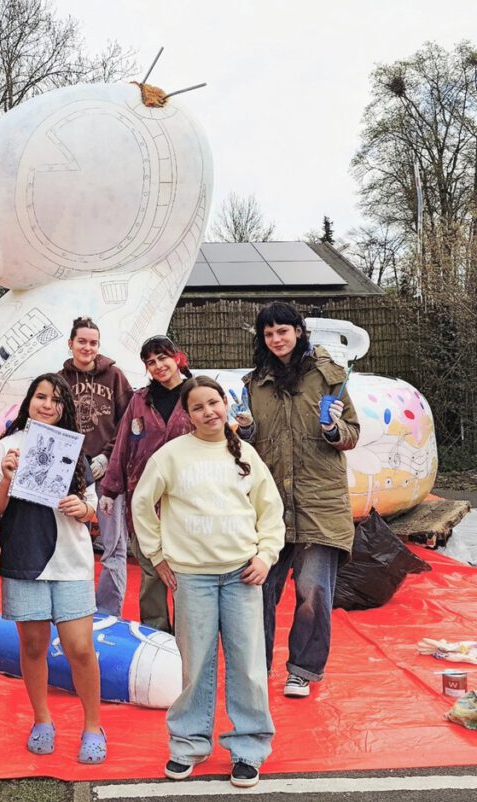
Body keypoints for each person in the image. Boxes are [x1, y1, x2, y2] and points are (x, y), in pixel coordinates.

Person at [132, 376, 285, 788]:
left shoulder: (246, 455)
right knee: (195, 664)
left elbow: (270, 513)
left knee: (248, 665)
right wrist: (158, 555)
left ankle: (249, 748)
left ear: (226, 405)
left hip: (242, 575)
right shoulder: (170, 456)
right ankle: (188, 744)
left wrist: (266, 555)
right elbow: (141, 504)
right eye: (197, 407)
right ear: (187, 413)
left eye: (214, 403)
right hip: (193, 577)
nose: (208, 412)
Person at [236, 301, 360, 698]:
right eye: (268, 334)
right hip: (270, 504)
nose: (276, 339)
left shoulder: (330, 377)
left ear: (299, 331)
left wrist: (332, 426)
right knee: (259, 589)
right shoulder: (254, 384)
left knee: (313, 590)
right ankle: (256, 668)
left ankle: (302, 671)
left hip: (319, 502)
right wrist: (246, 430)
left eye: (283, 331)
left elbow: (352, 434)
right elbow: (247, 448)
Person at [0, 373, 106, 764]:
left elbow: (94, 510)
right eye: (41, 397)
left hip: (71, 562)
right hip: (24, 560)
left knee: (80, 648)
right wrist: (5, 479)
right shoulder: (7, 448)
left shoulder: (75, 450)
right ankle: (42, 720)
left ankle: (92, 726)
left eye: (56, 400)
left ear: (64, 407)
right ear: (29, 401)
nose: (47, 405)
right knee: (33, 645)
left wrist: (83, 509)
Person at [98, 335, 193, 631]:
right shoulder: (140, 400)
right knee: (151, 573)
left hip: (188, 499)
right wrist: (110, 490)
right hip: (145, 502)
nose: (158, 365)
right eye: (150, 362)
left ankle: (190, 639)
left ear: (177, 357)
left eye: (162, 358)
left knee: (186, 573)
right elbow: (123, 444)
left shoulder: (196, 394)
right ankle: (157, 638)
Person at [58, 316, 133, 616]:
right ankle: (70, 608)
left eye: (93, 342)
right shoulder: (59, 380)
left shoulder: (115, 377)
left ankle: (107, 612)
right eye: (82, 341)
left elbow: (128, 423)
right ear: (71, 343)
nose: (87, 347)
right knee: (67, 540)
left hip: (107, 472)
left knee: (113, 546)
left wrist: (108, 455)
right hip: (70, 471)